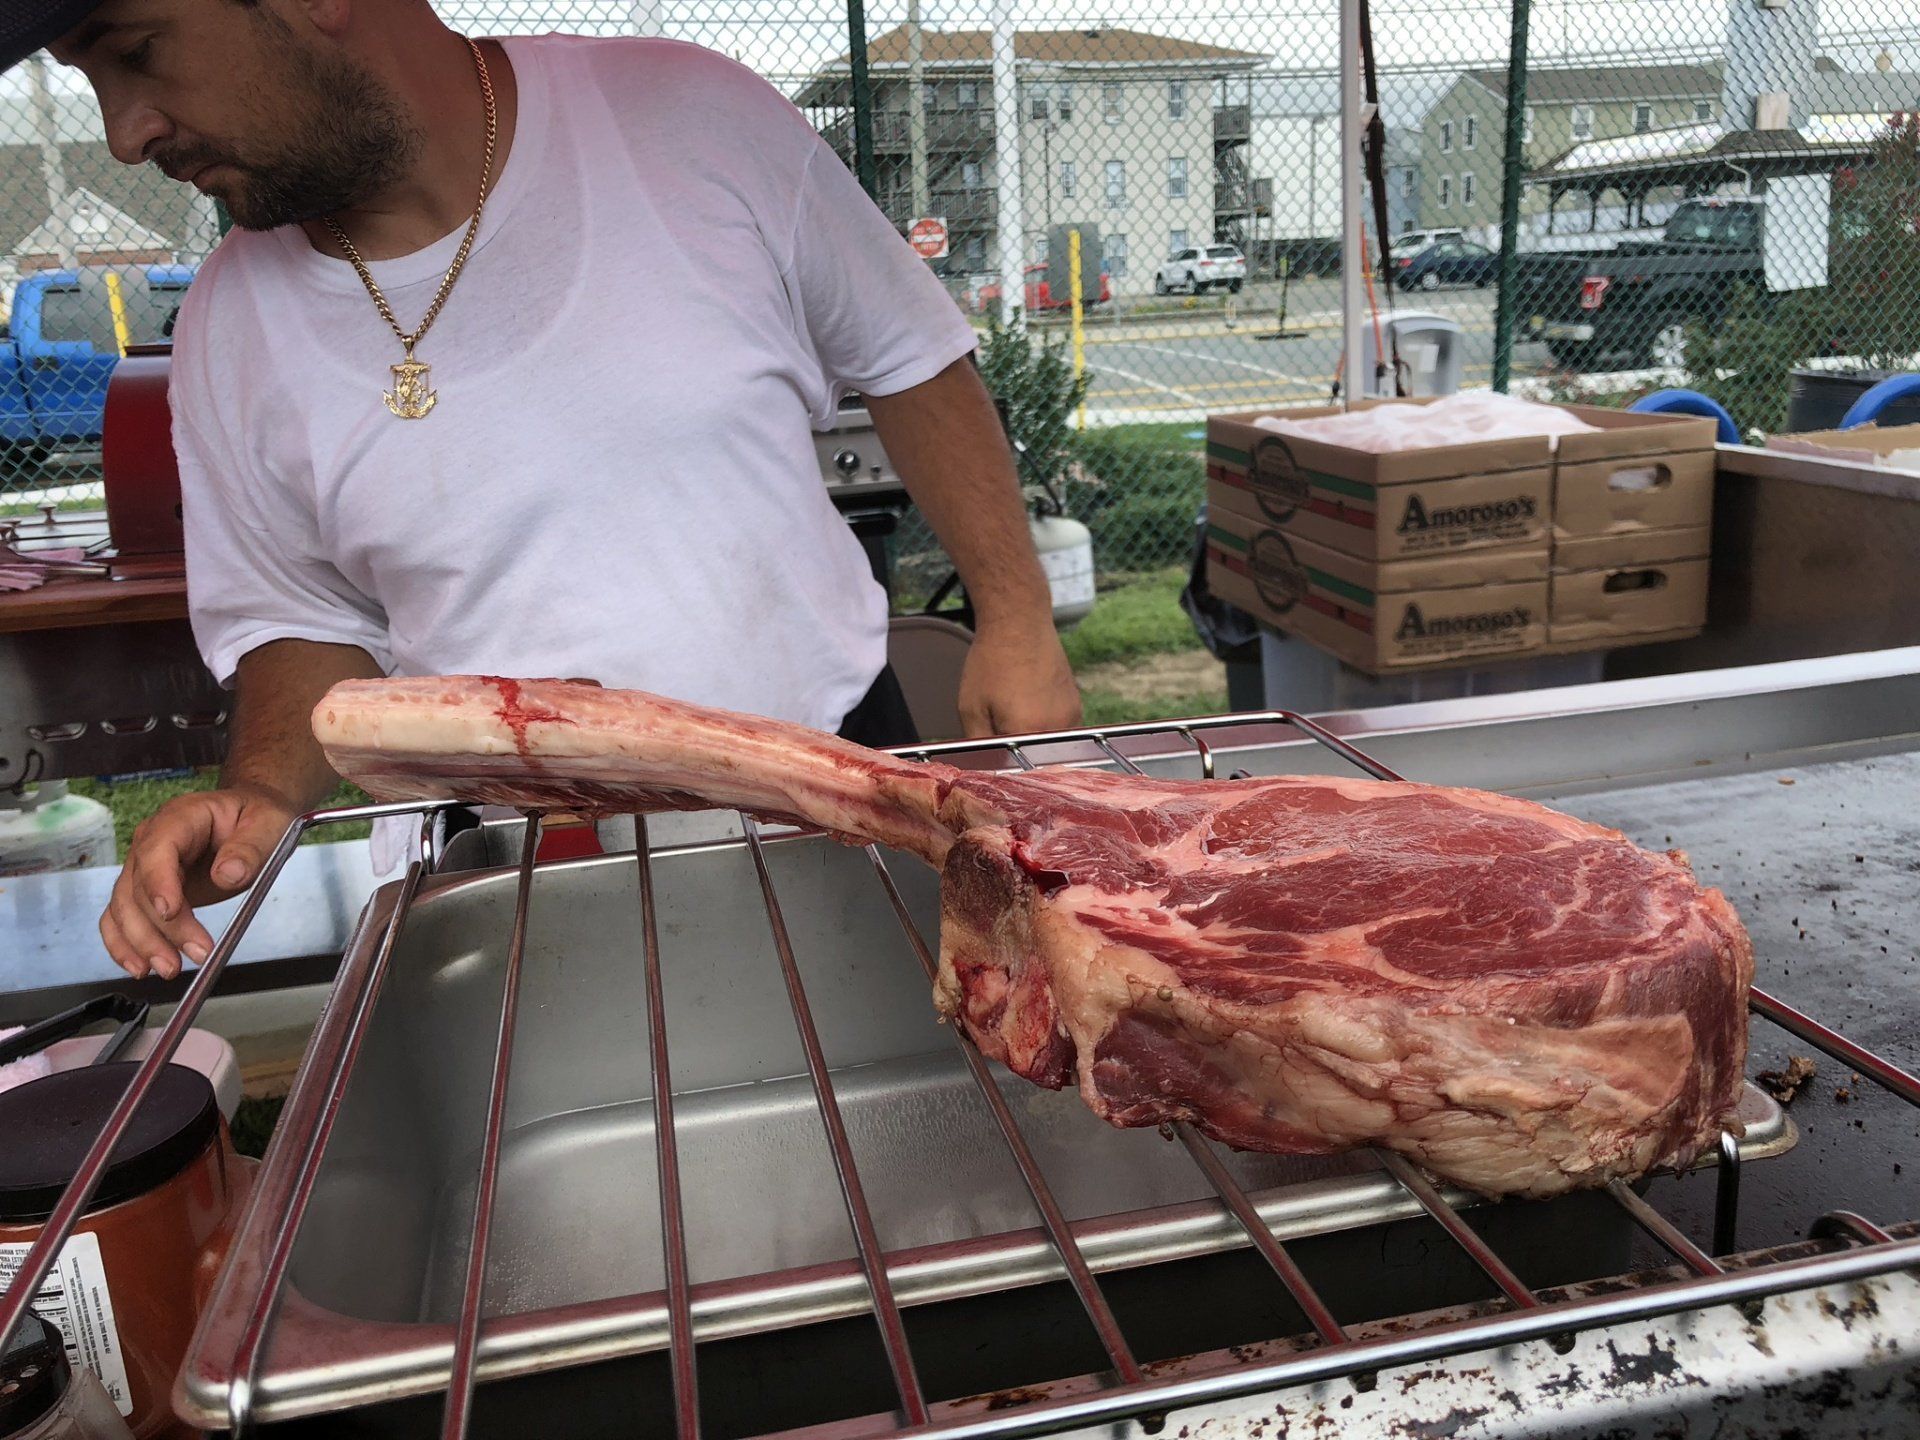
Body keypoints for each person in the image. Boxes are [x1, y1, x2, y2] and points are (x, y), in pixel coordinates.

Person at [14, 0, 1081, 980]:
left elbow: (913, 356)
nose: (124, 133)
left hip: (839, 782)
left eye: (136, 53)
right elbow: (303, 622)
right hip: (514, 861)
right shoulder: (225, 331)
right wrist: (256, 796)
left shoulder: (689, 120)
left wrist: (1017, 617)